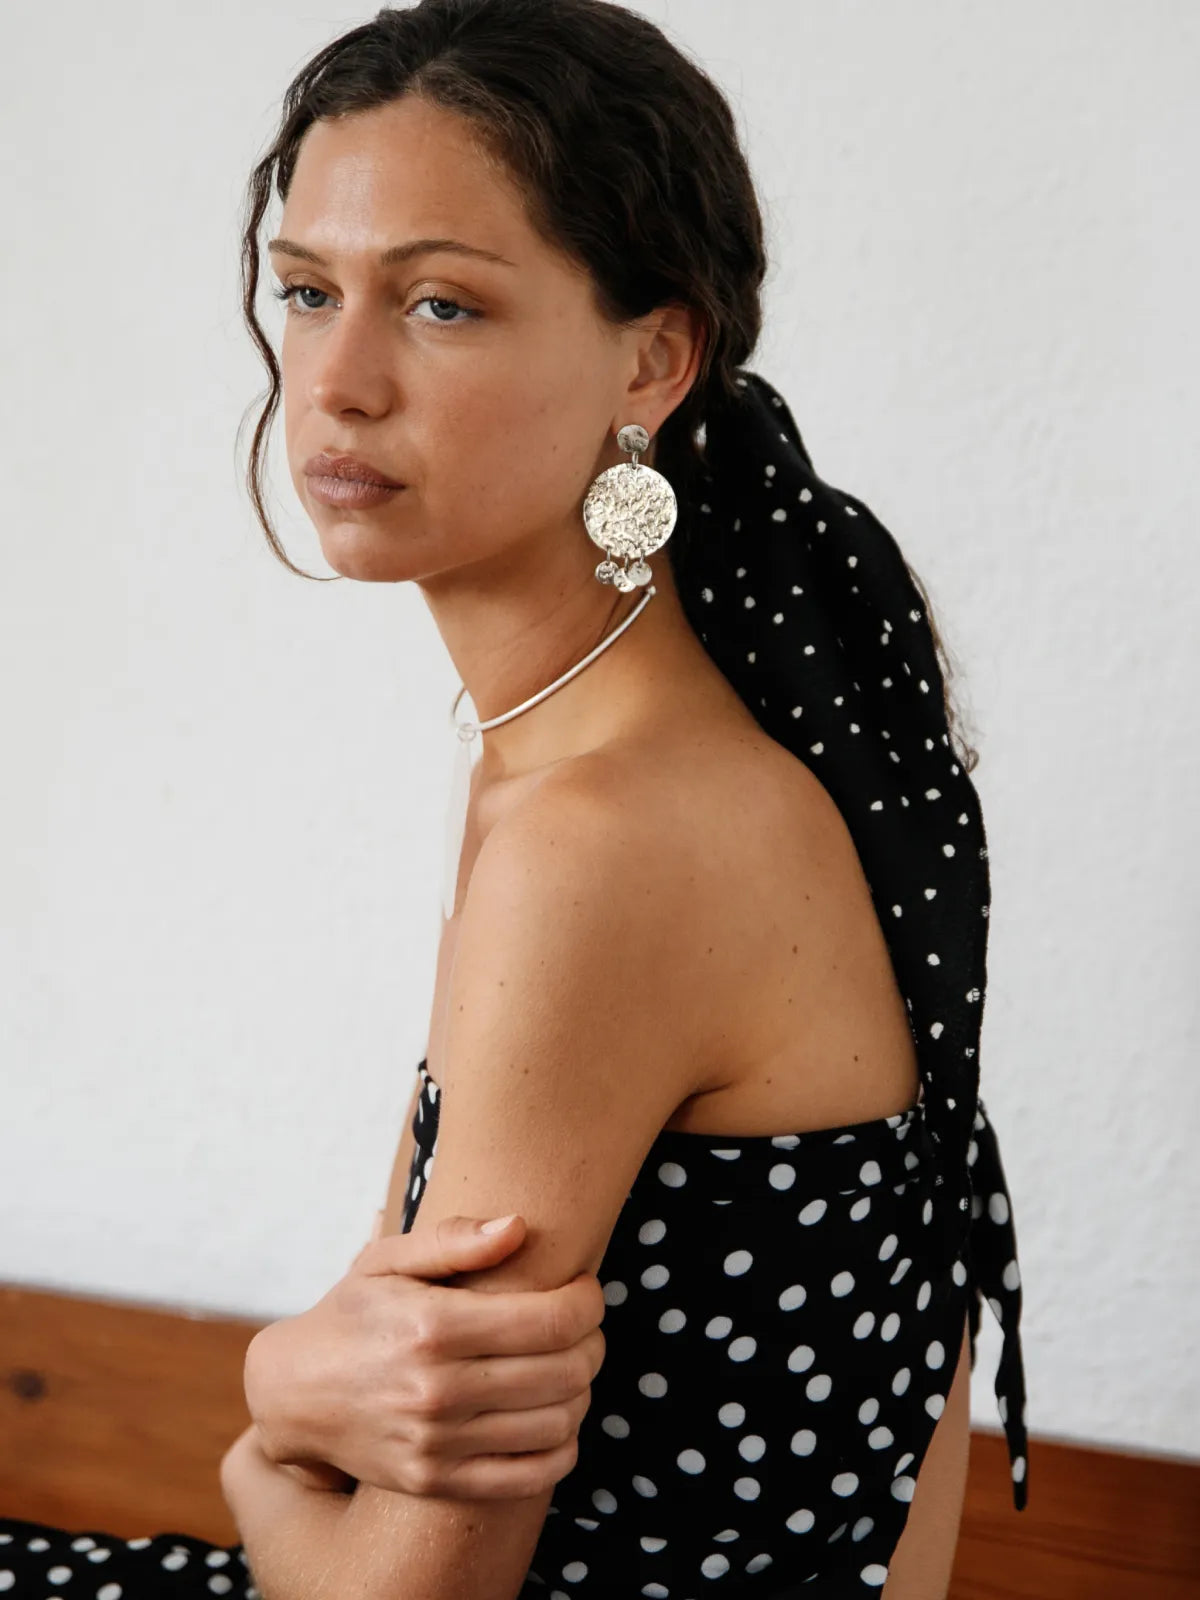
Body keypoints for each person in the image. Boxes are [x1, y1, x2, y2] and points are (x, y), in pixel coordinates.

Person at [0, 0, 1030, 1595]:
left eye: (442, 304)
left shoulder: (606, 839)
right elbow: (389, 1353)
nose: (337, 382)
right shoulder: (597, 765)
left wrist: (258, 1446)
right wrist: (298, 1390)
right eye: (306, 290)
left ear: (654, 359)